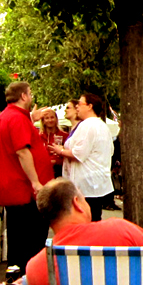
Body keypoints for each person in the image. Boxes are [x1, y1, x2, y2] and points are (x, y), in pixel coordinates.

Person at [0, 81, 54, 270]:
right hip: (25, 191)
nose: (32, 97)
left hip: (15, 189)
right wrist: (35, 182)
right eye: (30, 93)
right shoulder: (16, 118)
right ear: (24, 96)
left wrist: (30, 118)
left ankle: (17, 277)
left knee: (18, 241)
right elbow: (22, 151)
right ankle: (28, 282)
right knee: (31, 243)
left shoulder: (7, 116)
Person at [49, 93, 113, 221]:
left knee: (87, 221)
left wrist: (60, 150)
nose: (77, 106)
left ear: (89, 106)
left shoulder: (88, 125)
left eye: (80, 103)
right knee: (94, 219)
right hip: (96, 183)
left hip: (87, 185)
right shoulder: (101, 126)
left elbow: (78, 154)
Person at [39, 108, 69, 179]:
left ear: (56, 119)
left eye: (52, 117)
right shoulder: (39, 137)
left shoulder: (64, 136)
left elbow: (69, 155)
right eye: (47, 118)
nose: (50, 120)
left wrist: (56, 161)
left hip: (60, 171)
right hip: (44, 171)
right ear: (43, 121)